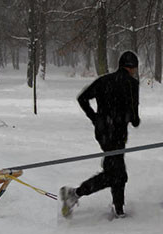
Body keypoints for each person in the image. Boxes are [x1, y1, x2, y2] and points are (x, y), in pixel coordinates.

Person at [59, 51, 141, 219]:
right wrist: (131, 117)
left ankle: (118, 209)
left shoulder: (104, 80)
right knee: (117, 175)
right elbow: (135, 117)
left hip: (103, 132)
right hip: (117, 134)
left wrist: (95, 118)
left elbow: (82, 98)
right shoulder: (132, 84)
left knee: (115, 172)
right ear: (133, 68)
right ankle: (75, 194)